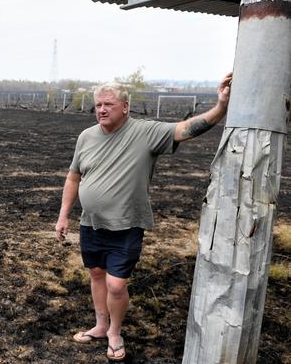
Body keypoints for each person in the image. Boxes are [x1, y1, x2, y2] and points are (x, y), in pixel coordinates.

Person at [55, 73, 232, 362]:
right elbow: (74, 177)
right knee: (96, 275)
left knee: (116, 284)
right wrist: (64, 216)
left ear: (125, 106)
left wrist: (221, 107)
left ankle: (114, 332)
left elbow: (186, 129)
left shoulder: (145, 132)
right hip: (90, 223)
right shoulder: (86, 137)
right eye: (98, 104)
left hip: (127, 225)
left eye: (108, 104)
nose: (101, 109)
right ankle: (100, 326)